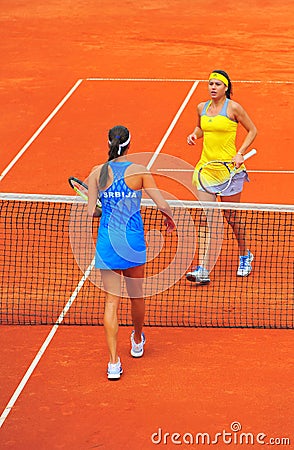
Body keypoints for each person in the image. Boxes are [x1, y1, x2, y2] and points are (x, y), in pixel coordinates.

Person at [88, 125, 175, 380]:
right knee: (137, 296)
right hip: (133, 241)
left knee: (111, 302)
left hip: (107, 242)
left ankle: (113, 363)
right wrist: (169, 218)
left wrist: (106, 209)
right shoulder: (139, 172)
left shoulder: (96, 173)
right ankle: (137, 340)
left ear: (108, 143)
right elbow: (162, 203)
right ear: (129, 145)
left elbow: (91, 211)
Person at [186, 70, 257, 284]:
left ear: (226, 87)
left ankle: (245, 255)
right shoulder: (201, 108)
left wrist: (240, 153)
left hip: (230, 173)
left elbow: (252, 130)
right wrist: (194, 135)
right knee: (206, 219)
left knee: (232, 218)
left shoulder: (234, 108)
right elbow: (201, 128)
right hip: (206, 170)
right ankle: (203, 269)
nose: (213, 87)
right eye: (210, 83)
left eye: (217, 84)